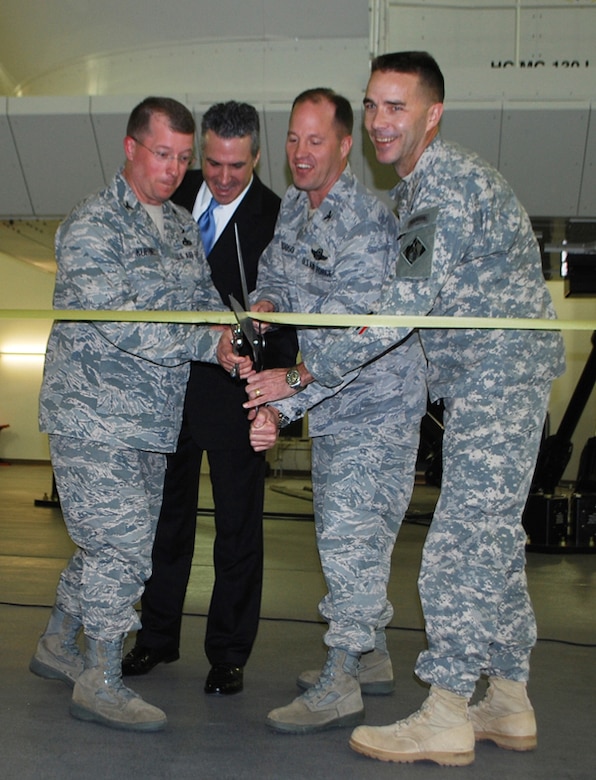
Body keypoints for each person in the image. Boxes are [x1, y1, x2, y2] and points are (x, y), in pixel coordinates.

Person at [254, 53, 566, 765]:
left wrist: (298, 383)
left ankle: (450, 710)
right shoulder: (421, 190)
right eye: (372, 105)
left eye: (397, 107)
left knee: (460, 540)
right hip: (483, 375)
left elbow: (397, 311)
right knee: (492, 537)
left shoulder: (443, 186)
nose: (380, 121)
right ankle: (509, 698)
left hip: (497, 372)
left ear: (432, 114)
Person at [29, 96, 252, 732]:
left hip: (151, 421)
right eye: (163, 154)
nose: (175, 169)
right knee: (121, 550)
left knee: (111, 543)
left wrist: (232, 331)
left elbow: (202, 302)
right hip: (94, 417)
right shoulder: (93, 225)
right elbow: (123, 324)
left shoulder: (181, 225)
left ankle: (56, 643)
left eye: (184, 159)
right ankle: (100, 677)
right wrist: (204, 342)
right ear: (130, 148)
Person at [245, 87, 427, 734]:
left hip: (376, 402)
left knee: (348, 537)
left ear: (345, 146)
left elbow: (350, 345)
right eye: (293, 138)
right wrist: (265, 302)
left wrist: (284, 393)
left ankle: (342, 681)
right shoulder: (295, 205)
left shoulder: (367, 226)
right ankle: (371, 656)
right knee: (356, 537)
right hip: (334, 398)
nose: (299, 153)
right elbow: (275, 267)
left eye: (315, 141)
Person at [122, 101, 297, 696]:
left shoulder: (277, 216)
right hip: (168, 389)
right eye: (214, 164)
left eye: (237, 167)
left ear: (255, 156)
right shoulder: (175, 192)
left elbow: (290, 316)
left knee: (237, 529)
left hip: (235, 395)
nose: (222, 178)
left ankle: (227, 652)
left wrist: (272, 401)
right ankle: (155, 638)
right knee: (164, 524)